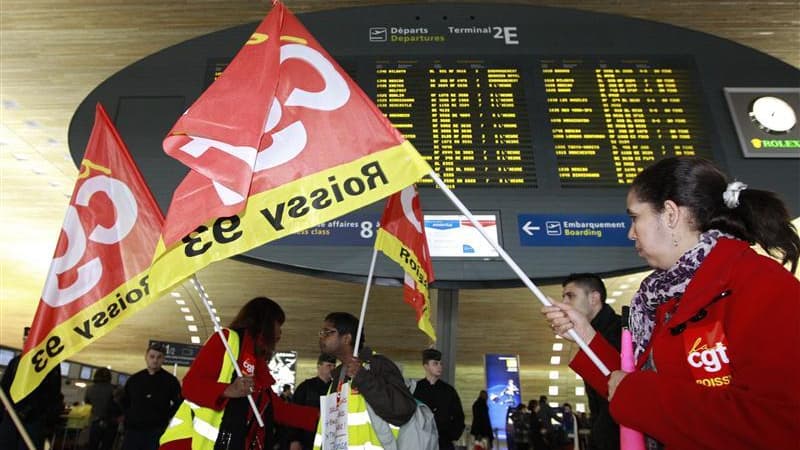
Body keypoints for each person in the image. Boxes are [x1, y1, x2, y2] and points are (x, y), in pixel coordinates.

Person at [542, 156, 800, 449]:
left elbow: (778, 422)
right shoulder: (663, 299)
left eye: (635, 217)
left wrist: (637, 395)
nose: (630, 233)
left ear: (670, 213)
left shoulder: (760, 284)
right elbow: (627, 387)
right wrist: (585, 334)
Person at [159, 297, 318, 450]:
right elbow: (190, 386)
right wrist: (227, 390)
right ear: (265, 322)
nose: (280, 332)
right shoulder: (226, 340)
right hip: (193, 444)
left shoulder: (257, 363)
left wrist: (320, 418)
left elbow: (275, 409)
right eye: (278, 324)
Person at [314, 312, 416, 447]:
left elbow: (402, 410)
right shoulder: (338, 376)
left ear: (346, 338)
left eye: (327, 332)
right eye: (321, 332)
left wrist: (362, 376)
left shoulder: (377, 365)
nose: (322, 336)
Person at [560, 273, 620, 450]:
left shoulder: (622, 331)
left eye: (570, 296)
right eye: (563, 297)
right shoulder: (592, 335)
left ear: (594, 298)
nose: (564, 303)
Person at [0, 327, 63, 450]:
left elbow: (51, 395)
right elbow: (4, 390)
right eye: (25, 340)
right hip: (12, 419)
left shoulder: (50, 365)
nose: (26, 344)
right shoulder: (16, 362)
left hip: (33, 420)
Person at [121, 342, 182, 450]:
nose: (155, 360)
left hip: (157, 431)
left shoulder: (170, 381)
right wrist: (129, 416)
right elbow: (125, 401)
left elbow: (179, 402)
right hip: (133, 430)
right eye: (152, 356)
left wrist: (167, 415)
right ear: (146, 357)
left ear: (163, 359)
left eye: (159, 357)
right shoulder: (135, 379)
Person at [412, 348, 465, 450]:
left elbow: (459, 416)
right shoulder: (415, 389)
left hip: (444, 442)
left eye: (441, 364)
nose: (439, 366)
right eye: (435, 363)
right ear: (426, 366)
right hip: (421, 442)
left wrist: (452, 435)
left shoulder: (449, 391)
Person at [288, 353, 336, 450]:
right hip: (307, 439)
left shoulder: (336, 388)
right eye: (328, 366)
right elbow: (294, 414)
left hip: (330, 439)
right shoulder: (305, 387)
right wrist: (294, 440)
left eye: (334, 366)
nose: (332, 369)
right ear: (319, 366)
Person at [85, 367, 120, 450]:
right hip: (110, 422)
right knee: (107, 446)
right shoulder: (114, 389)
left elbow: (87, 401)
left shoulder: (90, 389)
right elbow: (119, 405)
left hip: (95, 421)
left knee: (93, 446)